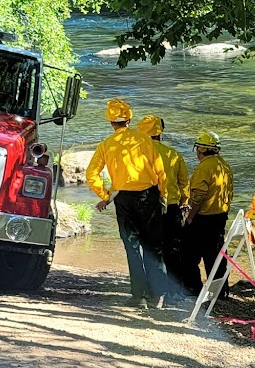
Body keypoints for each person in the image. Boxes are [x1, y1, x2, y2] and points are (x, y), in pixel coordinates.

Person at [86, 98, 172, 306]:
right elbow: (161, 170)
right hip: (148, 196)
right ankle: (157, 295)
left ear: (110, 122)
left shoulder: (106, 145)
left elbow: (91, 174)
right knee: (153, 246)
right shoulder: (144, 140)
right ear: (129, 119)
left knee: (132, 247)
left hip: (123, 199)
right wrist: (163, 194)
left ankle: (138, 295)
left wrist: (105, 195)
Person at [138, 115, 190, 292]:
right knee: (173, 249)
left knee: (151, 249)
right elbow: (184, 183)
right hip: (172, 207)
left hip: (148, 208)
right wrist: (185, 201)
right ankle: (175, 291)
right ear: (161, 133)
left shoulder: (138, 155)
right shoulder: (174, 155)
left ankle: (155, 289)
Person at [184, 130, 234, 294]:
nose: (197, 152)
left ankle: (194, 288)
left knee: (190, 255)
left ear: (202, 150)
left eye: (198, 148)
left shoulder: (204, 168)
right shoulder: (224, 165)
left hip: (204, 218)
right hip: (220, 216)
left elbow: (198, 197)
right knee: (217, 256)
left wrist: (189, 217)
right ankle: (221, 291)